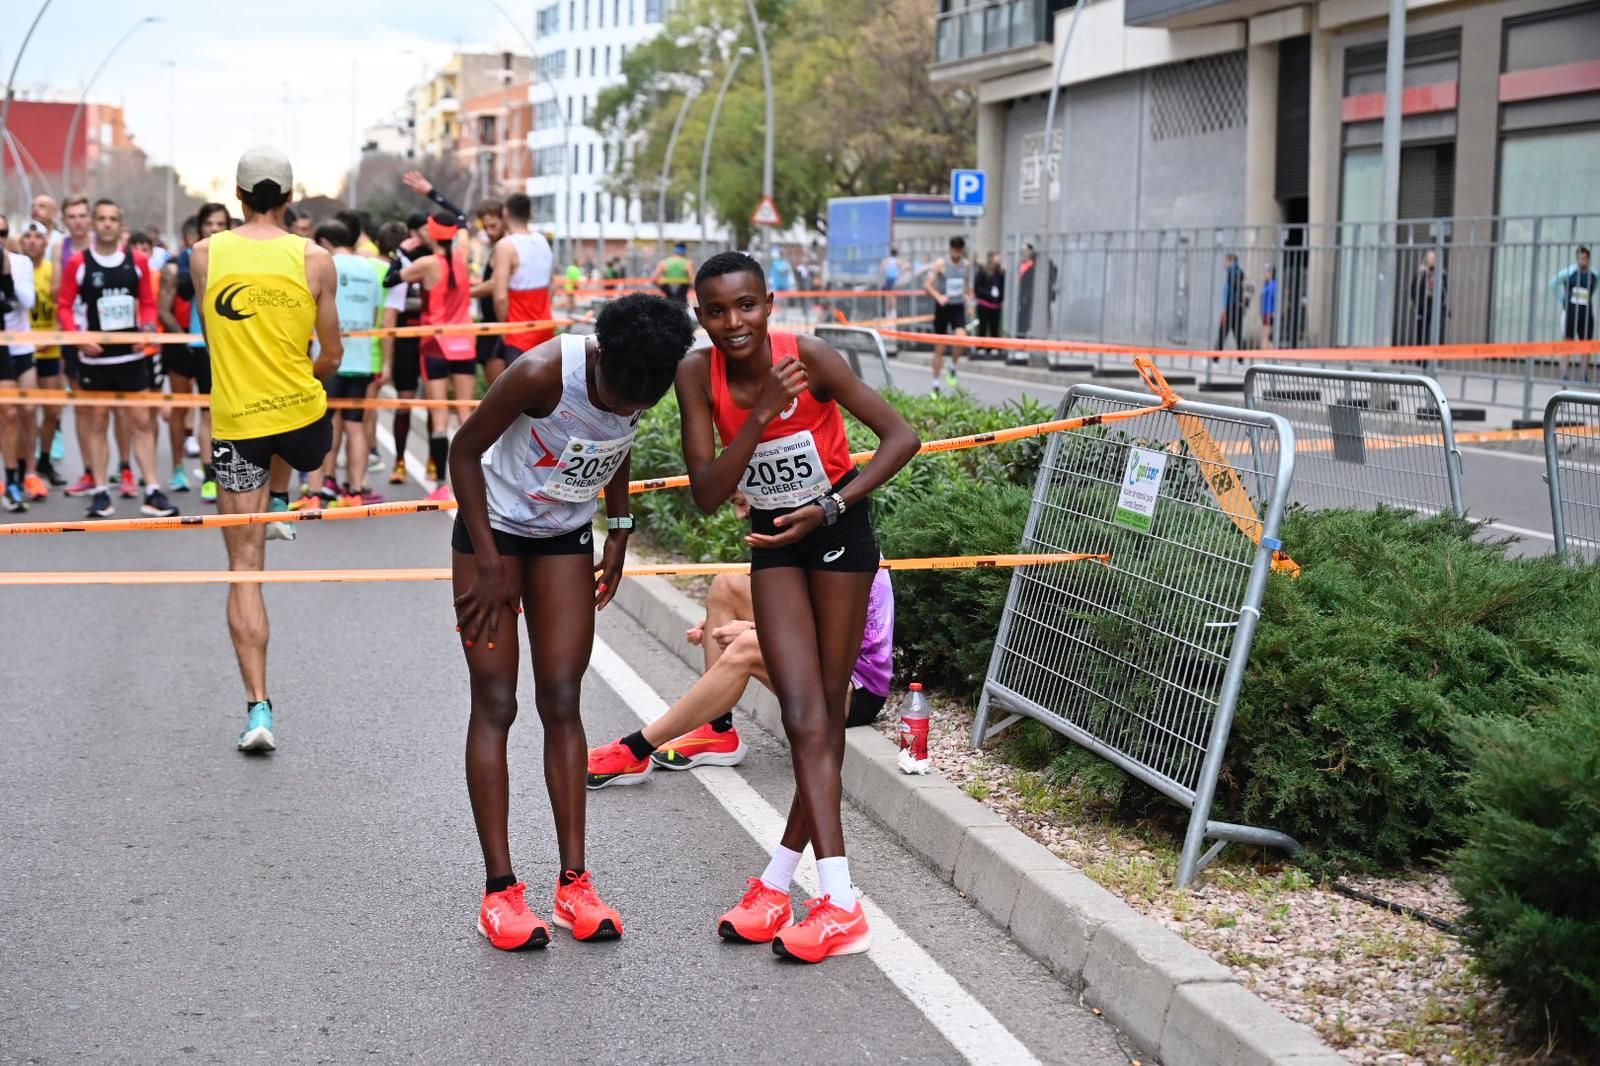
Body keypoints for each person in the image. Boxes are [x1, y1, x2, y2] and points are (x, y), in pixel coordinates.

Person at [676, 250, 919, 962]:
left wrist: (832, 503)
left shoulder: (810, 354)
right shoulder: (698, 373)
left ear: (769, 303)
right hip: (774, 544)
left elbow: (903, 437)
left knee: (823, 714)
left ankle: (833, 901)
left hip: (838, 535)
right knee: (803, 714)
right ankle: (785, 884)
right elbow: (707, 492)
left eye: (746, 306)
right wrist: (755, 416)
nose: (733, 323)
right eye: (717, 311)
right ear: (701, 317)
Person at [447, 293, 693, 950]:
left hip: (564, 538)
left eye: (643, 400)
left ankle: (573, 885)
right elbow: (462, 453)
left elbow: (611, 441)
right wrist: (491, 561)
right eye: (618, 391)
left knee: (562, 697)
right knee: (496, 702)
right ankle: (499, 892)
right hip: (490, 535)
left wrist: (619, 529)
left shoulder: (641, 377)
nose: (626, 406)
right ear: (602, 357)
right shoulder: (543, 374)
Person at [191, 146, 342, 751]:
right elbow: (332, 354)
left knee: (244, 570)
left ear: (237, 194)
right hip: (304, 426)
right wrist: (303, 379)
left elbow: (211, 334)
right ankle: (283, 493)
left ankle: (259, 710)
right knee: (301, 435)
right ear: (289, 197)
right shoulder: (316, 259)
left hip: (237, 424)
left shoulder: (205, 254)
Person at [587, 563, 896, 788]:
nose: (741, 511)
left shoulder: (841, 548)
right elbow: (790, 606)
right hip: (819, 668)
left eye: (740, 502)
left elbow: (831, 643)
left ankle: (636, 749)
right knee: (727, 584)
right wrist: (719, 624)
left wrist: (752, 630)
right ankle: (718, 731)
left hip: (850, 692)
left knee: (748, 646)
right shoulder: (808, 528)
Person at [57, 198, 180, 520]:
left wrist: (148, 329)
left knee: (140, 421)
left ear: (120, 223)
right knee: (97, 422)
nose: (107, 223)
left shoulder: (137, 261)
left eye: (113, 218)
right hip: (95, 359)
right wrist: (78, 337)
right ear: (95, 224)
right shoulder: (78, 263)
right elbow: (64, 305)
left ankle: (152, 490)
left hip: (130, 356)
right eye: (102, 218)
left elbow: (149, 305)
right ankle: (100, 491)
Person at [401, 209, 476, 502]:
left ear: (430, 233)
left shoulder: (426, 263)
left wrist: (401, 251)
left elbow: (393, 279)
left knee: (439, 417)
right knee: (466, 415)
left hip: (435, 343)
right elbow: (462, 217)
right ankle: (474, 484)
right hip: (465, 344)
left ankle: (442, 485)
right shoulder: (463, 255)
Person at [313, 219, 386, 506]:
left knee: (323, 424)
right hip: (363, 357)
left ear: (326, 242)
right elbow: (376, 311)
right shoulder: (370, 269)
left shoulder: (326, 265)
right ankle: (355, 490)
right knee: (356, 427)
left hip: (331, 357)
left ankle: (317, 492)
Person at [162, 205, 230, 500]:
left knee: (210, 413)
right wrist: (181, 337)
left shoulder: (234, 258)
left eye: (220, 224)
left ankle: (211, 473)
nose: (214, 229)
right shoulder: (182, 262)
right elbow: (164, 308)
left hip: (213, 345)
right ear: (199, 227)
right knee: (180, 410)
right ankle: (178, 467)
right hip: (185, 344)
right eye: (209, 224)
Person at [0, 213, 39, 511]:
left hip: (21, 344)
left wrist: (5, 273)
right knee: (8, 414)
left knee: (27, 411)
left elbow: (27, 302)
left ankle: (29, 472)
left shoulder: (20, 262)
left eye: (2, 232)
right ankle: (10, 478)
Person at [21, 220, 63, 492]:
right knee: (26, 410)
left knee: (52, 411)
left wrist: (55, 335)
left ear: (46, 243)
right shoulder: (14, 269)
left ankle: (44, 458)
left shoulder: (52, 271)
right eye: (28, 236)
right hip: (23, 348)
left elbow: (63, 304)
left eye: (38, 237)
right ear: (21, 242)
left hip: (51, 348)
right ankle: (26, 466)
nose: (33, 241)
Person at [491, 193, 556, 366]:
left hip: (517, 334)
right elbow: (552, 286)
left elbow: (500, 296)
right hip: (545, 329)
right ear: (530, 214)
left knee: (518, 391)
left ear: (505, 213)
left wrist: (503, 329)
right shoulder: (543, 241)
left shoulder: (506, 246)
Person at [923, 235, 972, 393]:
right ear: (950, 249)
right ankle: (936, 383)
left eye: (959, 251)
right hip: (943, 308)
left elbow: (967, 285)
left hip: (958, 306)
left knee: (961, 338)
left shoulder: (965, 265)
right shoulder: (941, 264)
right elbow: (928, 285)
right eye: (954, 250)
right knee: (940, 348)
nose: (956, 254)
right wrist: (939, 297)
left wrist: (969, 301)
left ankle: (953, 365)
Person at [1552, 246, 1596, 383]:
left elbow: (1592, 290)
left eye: (1584, 258)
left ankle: (1583, 375)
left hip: (1586, 313)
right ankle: (1564, 374)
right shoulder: (1569, 272)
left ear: (1588, 259)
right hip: (1571, 312)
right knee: (1568, 342)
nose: (1581, 261)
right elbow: (1553, 283)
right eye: (1579, 258)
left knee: (1586, 345)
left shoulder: (1594, 274)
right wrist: (1563, 299)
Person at [1409, 249, 1445, 346]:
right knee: (1421, 331)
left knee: (1435, 330)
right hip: (1423, 304)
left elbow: (1444, 290)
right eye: (1429, 258)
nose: (1432, 260)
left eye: (1433, 258)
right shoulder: (1421, 273)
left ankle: (1434, 356)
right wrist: (1416, 303)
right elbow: (1414, 288)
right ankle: (1421, 358)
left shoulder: (1441, 273)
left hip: (1435, 304)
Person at [974, 250, 1005, 358]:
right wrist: (988, 294)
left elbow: (1003, 286)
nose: (998, 259)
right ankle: (980, 347)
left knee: (994, 327)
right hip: (984, 303)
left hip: (996, 305)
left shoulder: (1000, 273)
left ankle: (994, 347)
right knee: (983, 326)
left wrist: (999, 296)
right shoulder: (982, 271)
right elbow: (977, 287)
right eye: (997, 257)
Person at [1215, 252, 1246, 352]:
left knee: (1222, 333)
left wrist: (1224, 308)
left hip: (1230, 307)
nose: (1224, 263)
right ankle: (1241, 360)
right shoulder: (1240, 272)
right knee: (1238, 334)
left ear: (1231, 261)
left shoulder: (1231, 273)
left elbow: (1228, 292)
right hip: (1238, 308)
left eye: (1226, 260)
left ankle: (1215, 360)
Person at [652, 241, 694, 309]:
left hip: (669, 298)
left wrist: (664, 288)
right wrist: (690, 287)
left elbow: (653, 279)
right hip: (681, 298)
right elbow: (693, 281)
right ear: (685, 251)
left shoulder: (664, 263)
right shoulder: (688, 263)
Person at [1260, 263, 1277, 351]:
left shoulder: (1273, 285)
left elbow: (1274, 300)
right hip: (1265, 312)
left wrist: (1273, 312)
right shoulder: (1266, 284)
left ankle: (1266, 352)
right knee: (1267, 334)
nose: (1265, 274)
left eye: (1266, 271)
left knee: (1266, 334)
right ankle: (1269, 352)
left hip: (1269, 312)